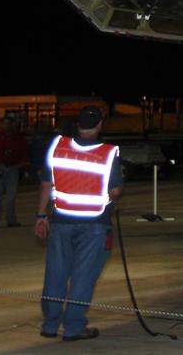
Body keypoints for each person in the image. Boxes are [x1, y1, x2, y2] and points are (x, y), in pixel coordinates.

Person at [35, 106, 123, 342]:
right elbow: (115, 190)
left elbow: (46, 183)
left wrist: (41, 216)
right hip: (94, 225)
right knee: (83, 277)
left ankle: (50, 325)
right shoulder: (108, 153)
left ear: (78, 124)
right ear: (100, 125)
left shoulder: (58, 146)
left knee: (55, 273)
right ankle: (73, 327)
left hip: (61, 221)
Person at [0, 117, 28, 228]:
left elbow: (24, 154)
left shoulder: (18, 139)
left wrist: (20, 164)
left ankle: (11, 220)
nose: (7, 126)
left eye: (9, 124)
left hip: (13, 168)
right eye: (5, 124)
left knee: (11, 195)